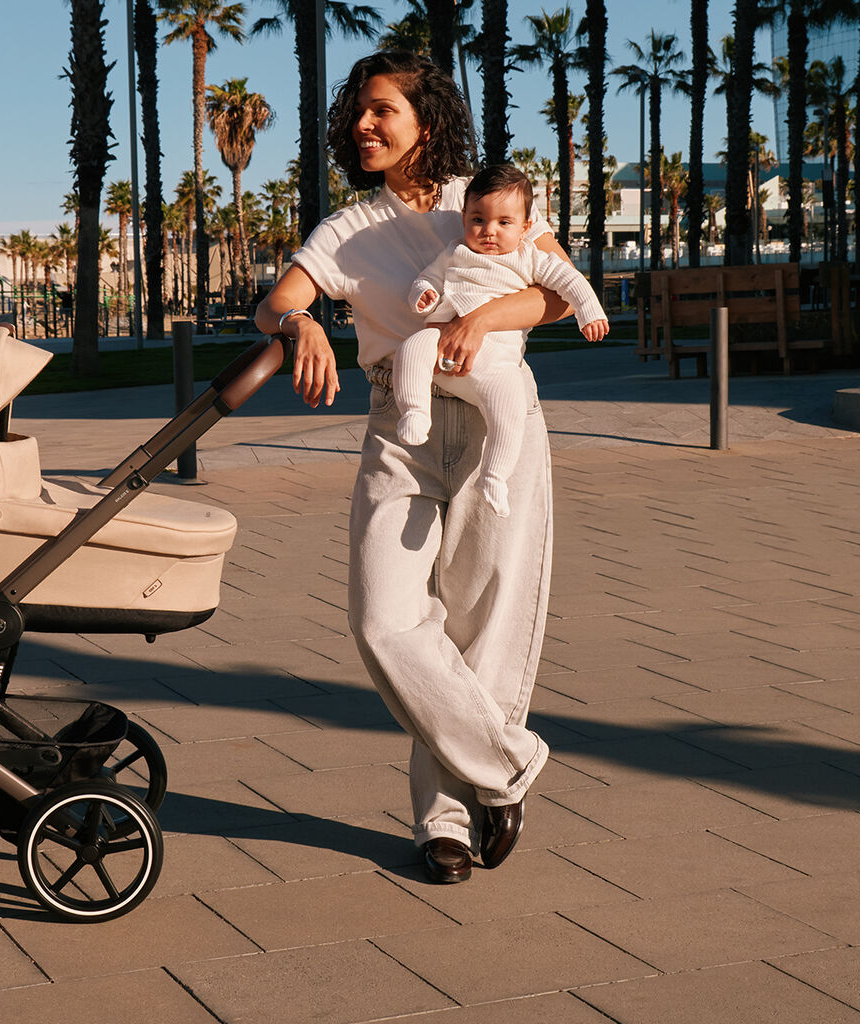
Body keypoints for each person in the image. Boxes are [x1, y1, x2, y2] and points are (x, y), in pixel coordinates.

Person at [254, 51, 576, 885]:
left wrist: (485, 319)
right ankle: (509, 767)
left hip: (496, 419)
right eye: (359, 111)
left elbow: (555, 289)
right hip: (400, 421)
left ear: (423, 121)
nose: (364, 125)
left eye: (382, 110)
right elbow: (276, 300)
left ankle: (448, 824)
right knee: (384, 619)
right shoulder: (348, 228)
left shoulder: (487, 201)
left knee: (482, 621)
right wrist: (302, 328)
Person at [396, 163, 609, 517]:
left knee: (511, 407)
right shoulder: (453, 252)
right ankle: (415, 411)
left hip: (496, 361)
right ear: (464, 218)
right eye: (477, 220)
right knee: (412, 348)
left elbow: (570, 281)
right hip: (442, 343)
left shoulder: (530, 257)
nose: (488, 231)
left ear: (526, 227)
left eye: (504, 223)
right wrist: (424, 295)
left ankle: (495, 475)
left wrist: (591, 311)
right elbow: (427, 279)